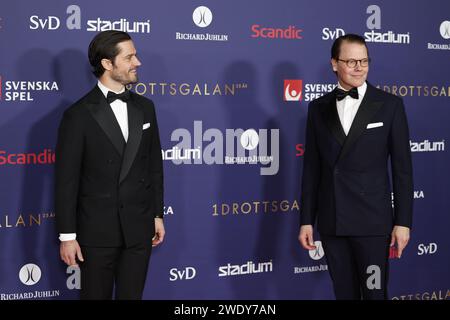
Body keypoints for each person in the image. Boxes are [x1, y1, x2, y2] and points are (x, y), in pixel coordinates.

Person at [298, 34, 413, 300]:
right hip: (333, 221)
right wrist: (306, 220)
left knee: (374, 294)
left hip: (373, 224)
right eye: (351, 61)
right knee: (344, 295)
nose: (359, 67)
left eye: (364, 61)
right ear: (334, 64)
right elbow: (312, 169)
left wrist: (403, 222)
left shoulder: (389, 105)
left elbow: (403, 170)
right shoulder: (318, 108)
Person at [55, 30, 165, 300]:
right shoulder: (78, 115)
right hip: (97, 232)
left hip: (139, 229)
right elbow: (66, 180)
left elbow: (153, 165)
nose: (137, 62)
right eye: (129, 57)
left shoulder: (145, 107)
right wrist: (67, 236)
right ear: (107, 64)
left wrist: (156, 214)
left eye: (135, 55)